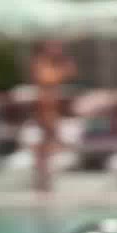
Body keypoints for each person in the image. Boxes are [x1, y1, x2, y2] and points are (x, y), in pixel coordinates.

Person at [28, 39, 76, 193]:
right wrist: (62, 69)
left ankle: (44, 179)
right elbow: (47, 79)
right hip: (45, 107)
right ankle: (42, 179)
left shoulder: (52, 63)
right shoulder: (40, 62)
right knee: (45, 143)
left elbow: (71, 72)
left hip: (52, 107)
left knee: (49, 143)